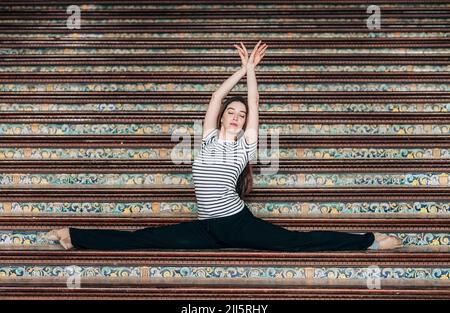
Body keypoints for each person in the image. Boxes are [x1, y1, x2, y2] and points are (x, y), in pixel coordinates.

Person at [43, 40, 402, 251]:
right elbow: (216, 94)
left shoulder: (246, 145)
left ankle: (370, 240)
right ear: (221, 117)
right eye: (231, 111)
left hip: (235, 223)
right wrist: (237, 68)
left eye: (240, 114)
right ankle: (73, 236)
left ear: (245, 123)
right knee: (146, 238)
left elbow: (255, 104)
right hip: (205, 227)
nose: (235, 115)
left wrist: (251, 72)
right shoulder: (210, 137)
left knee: (294, 242)